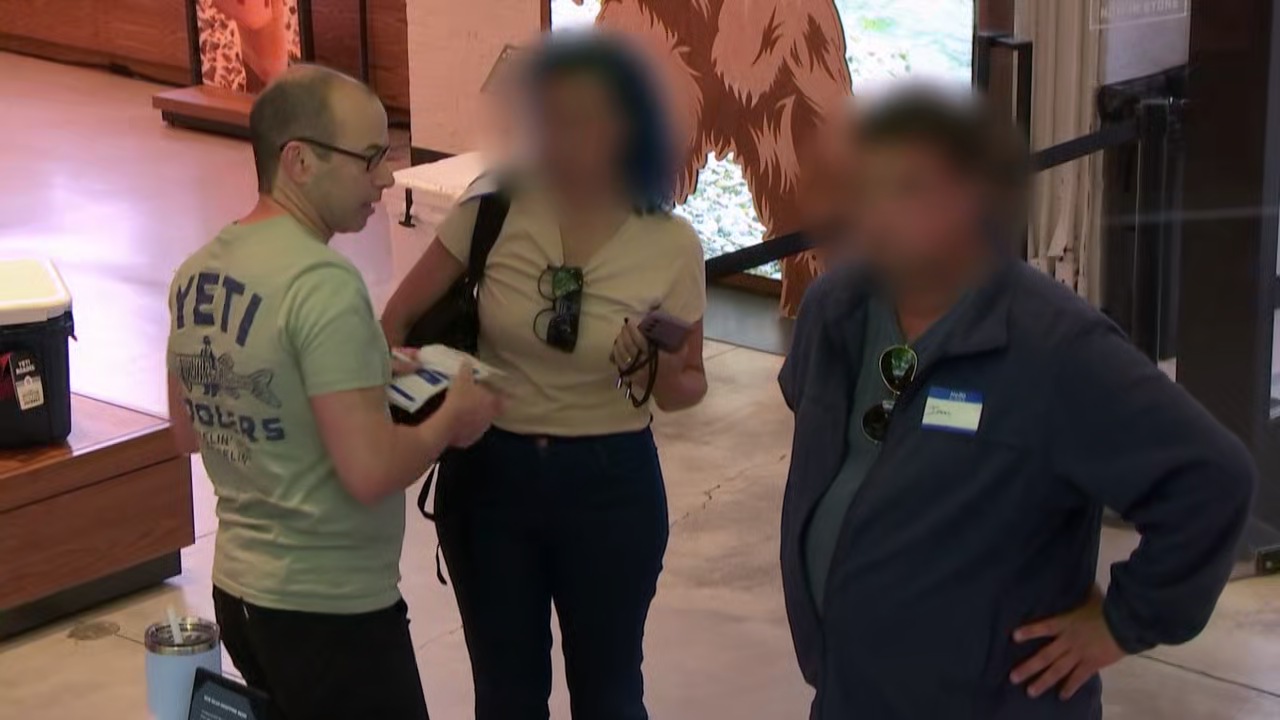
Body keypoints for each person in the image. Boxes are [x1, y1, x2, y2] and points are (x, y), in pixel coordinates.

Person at [776, 87, 1256, 720]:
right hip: (849, 695)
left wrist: (1123, 623)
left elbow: (1212, 480)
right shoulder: (834, 309)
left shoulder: (1056, 347)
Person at [380, 34, 708, 720]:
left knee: (610, 695)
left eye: (584, 117)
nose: (563, 135)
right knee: (506, 695)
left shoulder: (671, 243)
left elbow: (687, 388)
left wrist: (653, 369)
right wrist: (432, 398)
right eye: (552, 115)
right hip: (490, 477)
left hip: (611, 485)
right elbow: (397, 322)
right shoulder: (493, 205)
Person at [166, 65, 503, 720]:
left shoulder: (196, 271)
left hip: (241, 595)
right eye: (369, 157)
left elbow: (188, 430)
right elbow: (371, 471)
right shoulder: (323, 283)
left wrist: (365, 367)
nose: (386, 178)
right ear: (299, 161)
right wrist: (451, 418)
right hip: (330, 610)